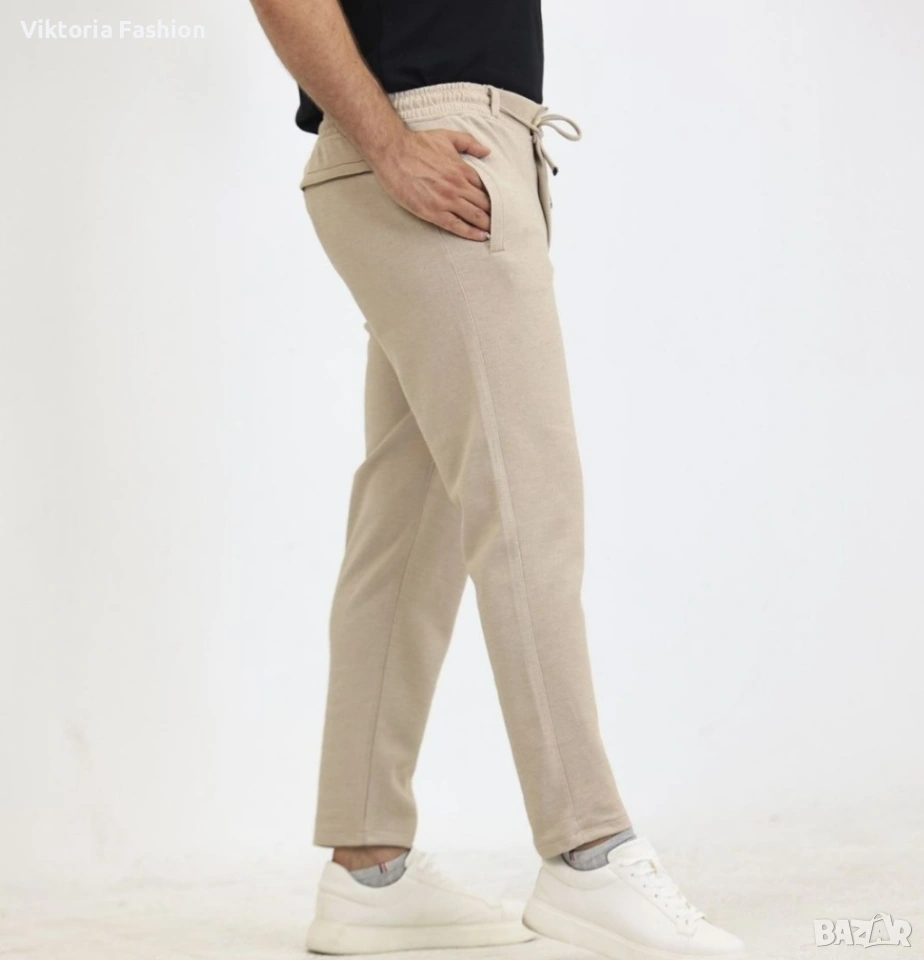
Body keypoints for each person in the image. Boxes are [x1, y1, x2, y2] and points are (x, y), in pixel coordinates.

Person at [249, 1, 747, 957]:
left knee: (411, 523)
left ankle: (367, 868)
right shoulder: (407, 141)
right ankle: (587, 850)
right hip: (432, 148)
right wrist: (390, 144)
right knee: (528, 505)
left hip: (451, 149)